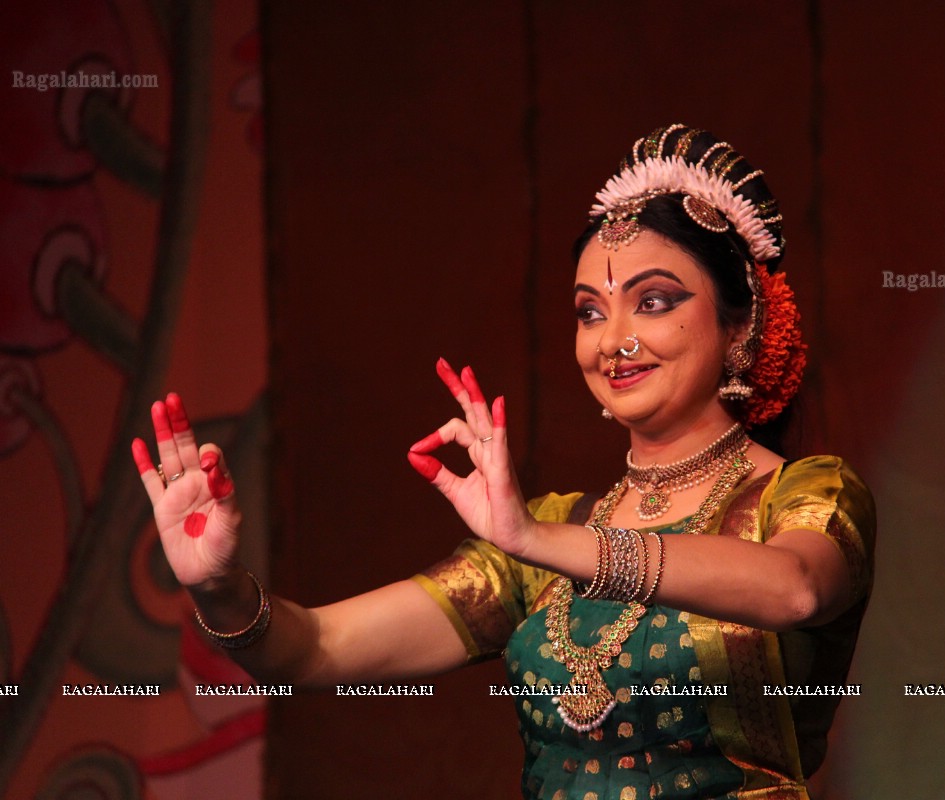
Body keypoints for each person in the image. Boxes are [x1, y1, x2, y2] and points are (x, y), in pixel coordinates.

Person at [132, 125, 876, 799]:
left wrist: (536, 541)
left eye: (652, 302)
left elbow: (797, 591)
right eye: (590, 311)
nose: (611, 340)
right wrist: (220, 589)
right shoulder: (543, 534)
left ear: (741, 324)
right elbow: (312, 651)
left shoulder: (804, 492)